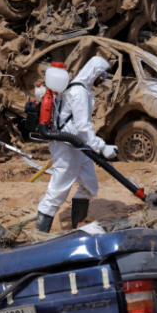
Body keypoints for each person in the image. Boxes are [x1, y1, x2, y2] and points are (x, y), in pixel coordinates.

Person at [36, 57, 118, 233]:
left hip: (78, 147)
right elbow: (83, 126)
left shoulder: (80, 89)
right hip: (68, 148)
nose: (103, 79)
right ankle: (39, 236)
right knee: (57, 192)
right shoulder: (79, 92)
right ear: (95, 72)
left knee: (89, 185)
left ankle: (78, 228)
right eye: (102, 75)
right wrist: (101, 147)